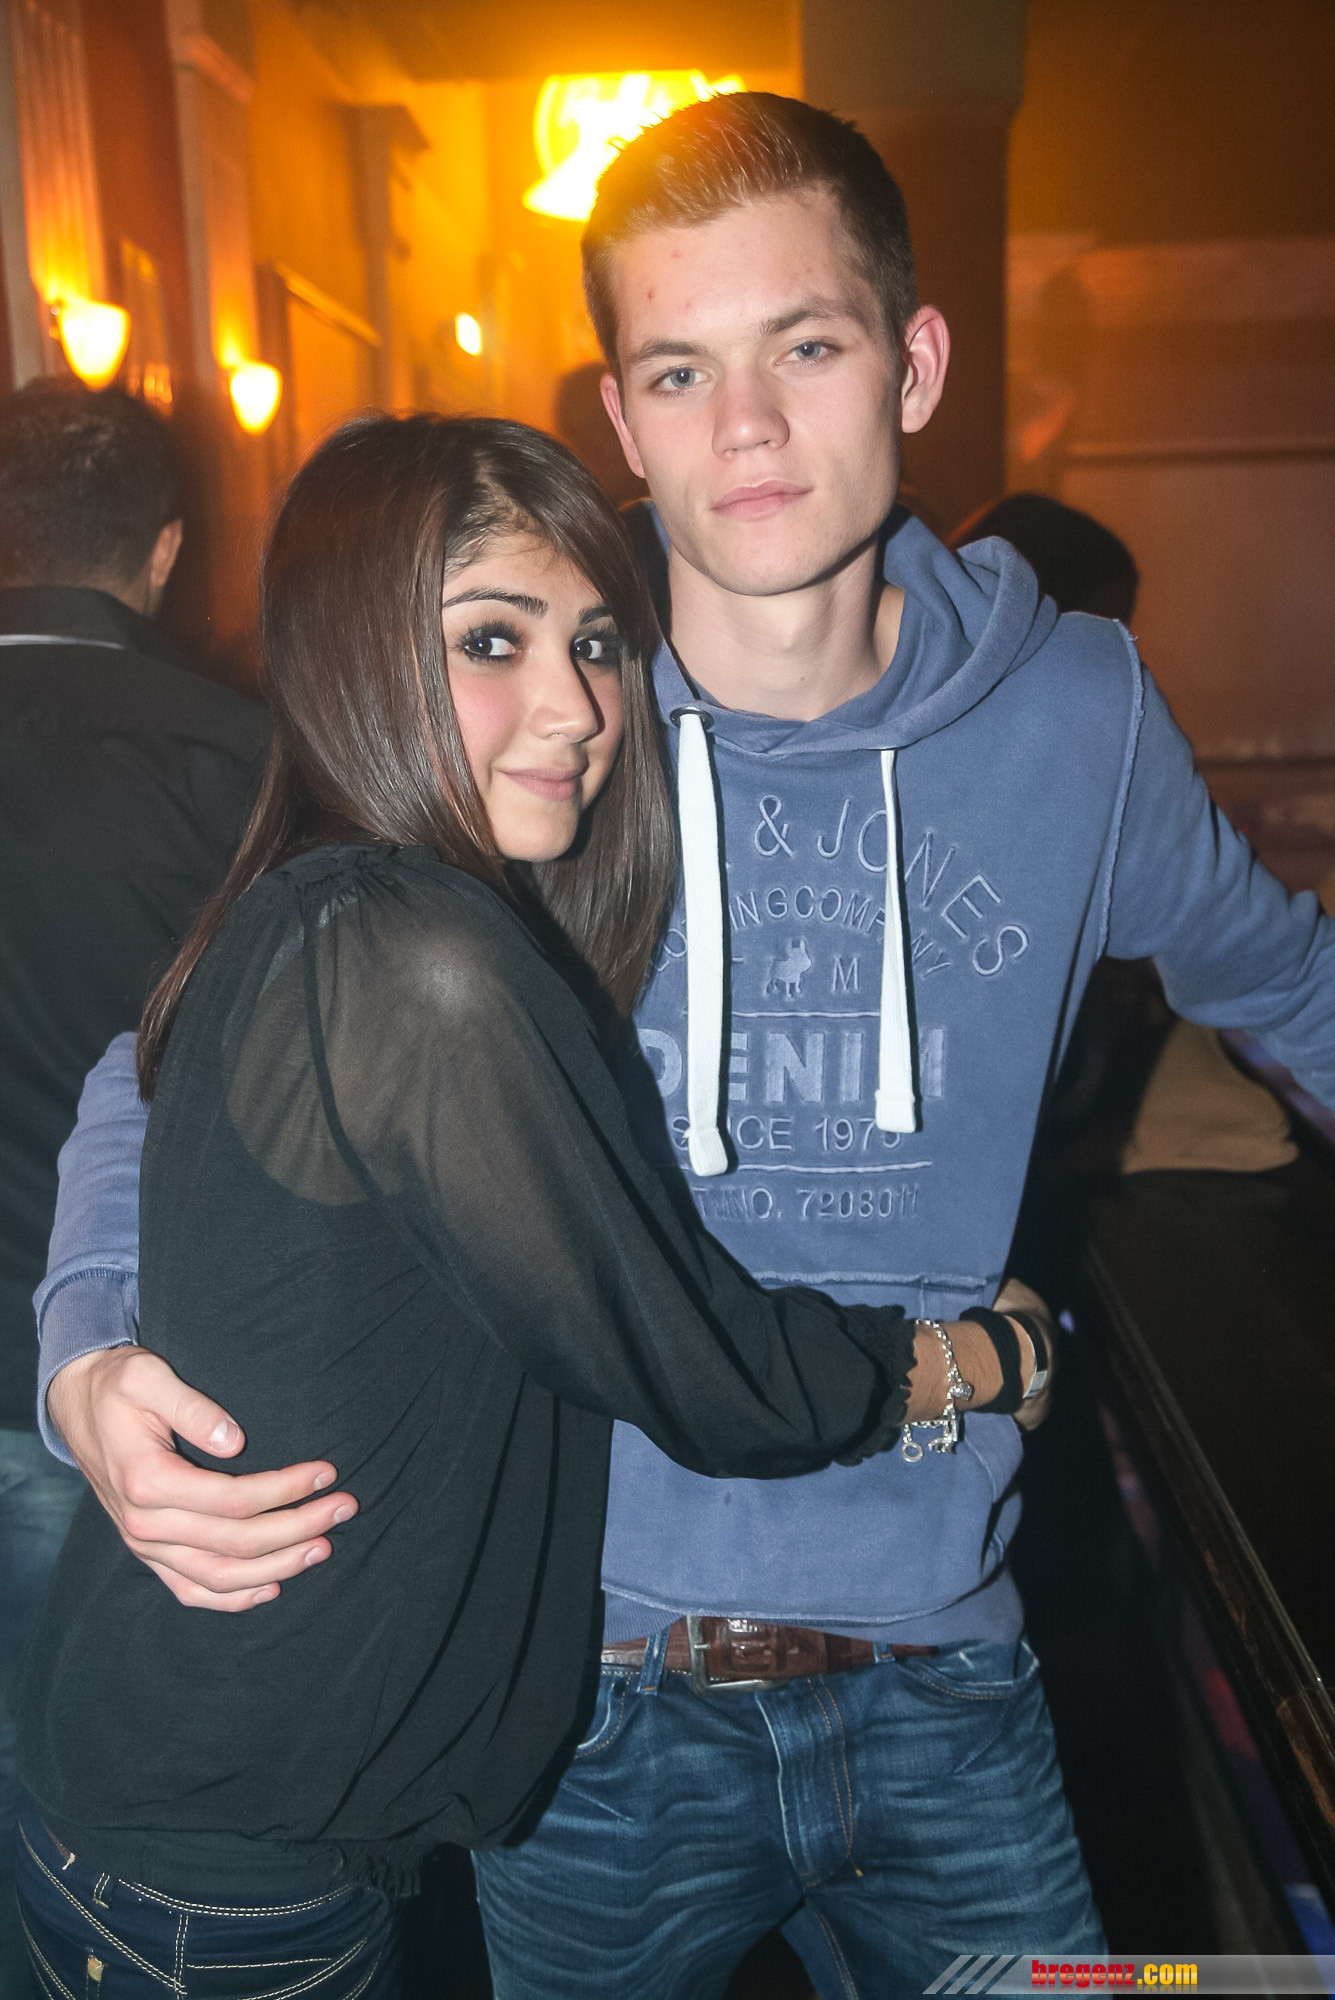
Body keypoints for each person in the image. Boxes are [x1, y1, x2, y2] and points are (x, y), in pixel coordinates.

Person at [34, 94, 1335, 1996]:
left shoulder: (1079, 712)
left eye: (803, 347)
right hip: (589, 1691)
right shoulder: (524, 709)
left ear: (914, 364)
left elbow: (1293, 984)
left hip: (948, 1661)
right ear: (621, 419)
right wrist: (85, 1349)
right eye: (679, 370)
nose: (745, 429)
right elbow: (187, 1048)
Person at [16, 411, 1035, 1999]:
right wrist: (981, 1362)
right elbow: (697, 1363)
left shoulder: (341, 905)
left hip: (212, 1821)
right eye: (493, 639)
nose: (575, 706)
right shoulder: (414, 956)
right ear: (357, 647)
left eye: (598, 644)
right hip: (227, 1864)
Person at [0, 379, 267, 1993]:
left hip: (93, 1397)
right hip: (118, 1384)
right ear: (164, 551)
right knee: (83, 1811)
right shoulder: (235, 761)